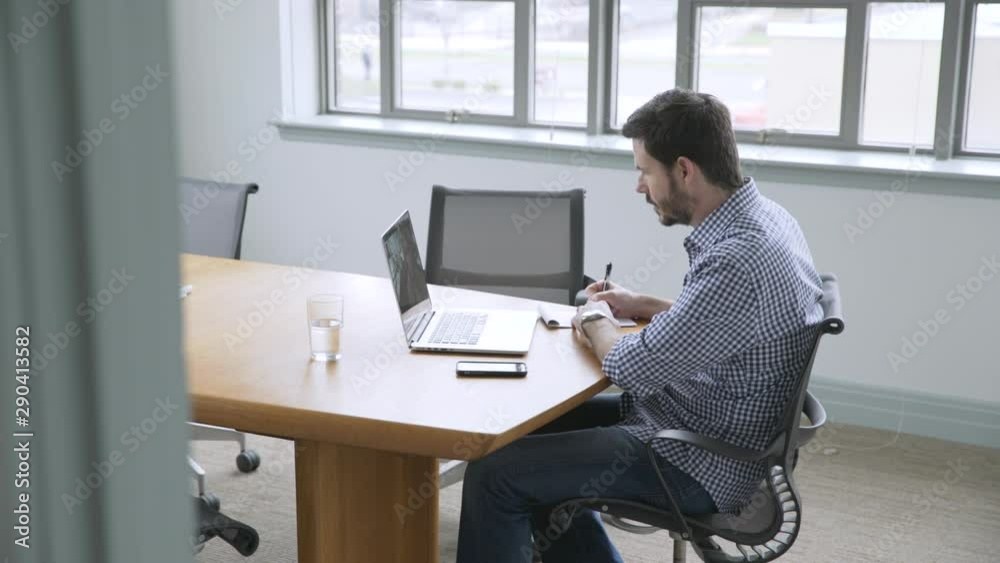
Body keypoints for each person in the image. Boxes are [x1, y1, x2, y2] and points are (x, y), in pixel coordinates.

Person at [455, 89, 824, 563]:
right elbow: (738, 322)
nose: (639, 187)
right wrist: (642, 303)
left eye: (645, 171)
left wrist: (593, 316)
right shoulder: (767, 220)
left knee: (495, 474)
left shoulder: (736, 260)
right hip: (699, 425)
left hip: (697, 459)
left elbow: (630, 368)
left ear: (684, 170)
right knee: (521, 432)